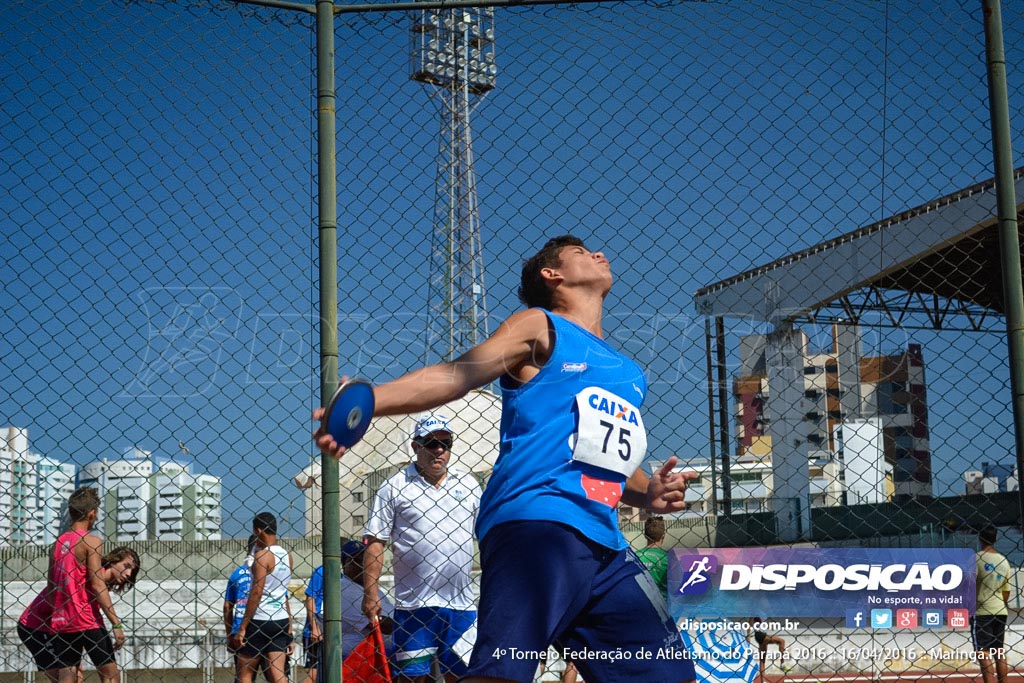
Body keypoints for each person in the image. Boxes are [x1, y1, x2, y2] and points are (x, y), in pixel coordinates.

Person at [316, 235, 697, 683]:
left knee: (666, 673)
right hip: (537, 527)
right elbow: (459, 373)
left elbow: (598, 454)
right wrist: (369, 403)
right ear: (550, 275)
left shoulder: (627, 371)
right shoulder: (540, 326)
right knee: (502, 673)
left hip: (606, 544)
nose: (599, 254)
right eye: (581, 253)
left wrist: (648, 490)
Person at [360, 415, 481, 683]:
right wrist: (371, 593)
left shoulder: (468, 484)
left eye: (445, 443)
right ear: (416, 447)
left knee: (464, 677)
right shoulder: (394, 486)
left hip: (461, 606)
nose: (439, 450)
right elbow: (376, 541)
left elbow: (485, 534)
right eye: (431, 443)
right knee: (413, 679)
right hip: (414, 606)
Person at [42, 487, 128, 683]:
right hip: (88, 620)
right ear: (92, 513)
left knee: (68, 677)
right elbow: (98, 585)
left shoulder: (58, 543)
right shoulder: (92, 541)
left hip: (63, 621)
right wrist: (116, 624)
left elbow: (50, 588)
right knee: (110, 676)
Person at [18, 545, 140, 683]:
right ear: (113, 561)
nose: (129, 573)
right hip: (36, 626)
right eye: (126, 566)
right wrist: (116, 626)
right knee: (62, 677)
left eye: (132, 570)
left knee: (75, 678)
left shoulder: (100, 582)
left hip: (65, 623)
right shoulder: (95, 575)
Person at [302, 539, 395, 682]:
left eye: (364, 559)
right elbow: (381, 624)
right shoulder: (343, 589)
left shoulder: (371, 589)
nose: (362, 565)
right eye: (356, 561)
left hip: (376, 659)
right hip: (353, 660)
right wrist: (404, 623)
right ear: (344, 564)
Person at [229, 513, 294, 683]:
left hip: (259, 620)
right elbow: (283, 591)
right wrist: (290, 626)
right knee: (278, 674)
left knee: (245, 674)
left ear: (258, 530)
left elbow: (256, 592)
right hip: (280, 619)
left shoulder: (262, 556)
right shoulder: (288, 556)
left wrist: (243, 626)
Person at [974, 526, 1011, 683]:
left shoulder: (976, 558)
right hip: (1000, 610)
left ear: (980, 539)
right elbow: (1006, 591)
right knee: (999, 651)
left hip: (982, 611)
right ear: (995, 539)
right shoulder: (1004, 561)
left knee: (983, 652)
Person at [635, 515, 669, 594]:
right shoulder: (669, 559)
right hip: (664, 603)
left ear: (645, 536)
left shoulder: (634, 557)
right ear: (663, 536)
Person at [748, 618, 788, 682]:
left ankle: (763, 681)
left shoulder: (763, 614)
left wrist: (769, 626)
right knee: (782, 641)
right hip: (761, 635)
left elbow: (761, 624)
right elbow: (750, 622)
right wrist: (748, 635)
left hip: (760, 636)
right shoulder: (756, 612)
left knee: (762, 661)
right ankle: (782, 664)